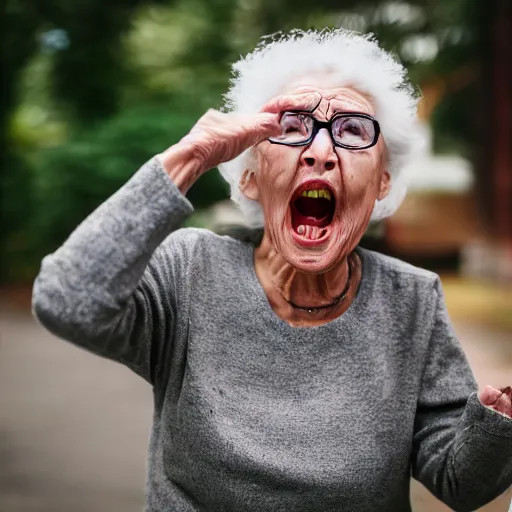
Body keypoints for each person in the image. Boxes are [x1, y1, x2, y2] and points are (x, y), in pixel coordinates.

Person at [32, 29, 512, 512]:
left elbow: (462, 483)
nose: (321, 152)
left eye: (352, 131)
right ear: (249, 173)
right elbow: (68, 301)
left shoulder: (412, 300)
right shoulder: (189, 271)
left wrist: (498, 424)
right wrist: (190, 156)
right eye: (290, 126)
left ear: (383, 180)